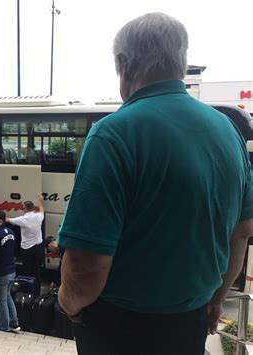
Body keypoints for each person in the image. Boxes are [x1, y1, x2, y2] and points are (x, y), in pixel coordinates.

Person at [57, 13, 253, 355]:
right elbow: (242, 231)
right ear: (181, 62)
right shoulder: (229, 131)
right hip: (191, 321)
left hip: (120, 329)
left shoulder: (113, 134)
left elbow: (87, 266)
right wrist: (216, 300)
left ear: (123, 64)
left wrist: (68, 305)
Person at [0, 211, 20, 333]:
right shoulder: (11, 233)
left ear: (0, 221)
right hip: (11, 270)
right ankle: (14, 323)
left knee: (1, 300)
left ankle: (4, 326)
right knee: (7, 297)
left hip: (1, 273)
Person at [6, 196, 45, 295]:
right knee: (37, 271)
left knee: (28, 272)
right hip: (39, 248)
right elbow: (42, 210)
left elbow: (8, 220)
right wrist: (40, 201)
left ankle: (29, 293)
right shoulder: (39, 216)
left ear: (25, 208)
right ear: (33, 208)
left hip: (27, 250)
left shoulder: (22, 219)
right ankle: (37, 293)